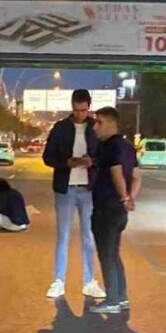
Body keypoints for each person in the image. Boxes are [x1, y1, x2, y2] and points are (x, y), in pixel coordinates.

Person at [41, 88, 104, 300]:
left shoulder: (96, 127)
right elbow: (47, 157)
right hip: (65, 189)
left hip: (88, 190)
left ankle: (89, 281)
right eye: (76, 110)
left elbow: (105, 155)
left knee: (88, 237)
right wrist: (66, 163)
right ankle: (58, 281)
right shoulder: (60, 128)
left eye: (84, 110)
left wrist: (91, 161)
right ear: (72, 107)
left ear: (89, 107)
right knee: (63, 236)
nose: (80, 114)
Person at [89, 107, 138, 316]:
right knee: (114, 254)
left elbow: (116, 172)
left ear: (110, 123)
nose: (95, 126)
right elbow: (136, 176)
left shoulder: (108, 146)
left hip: (106, 209)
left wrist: (124, 196)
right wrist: (130, 198)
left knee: (106, 255)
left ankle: (112, 300)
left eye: (99, 122)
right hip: (119, 211)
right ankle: (122, 297)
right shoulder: (128, 146)